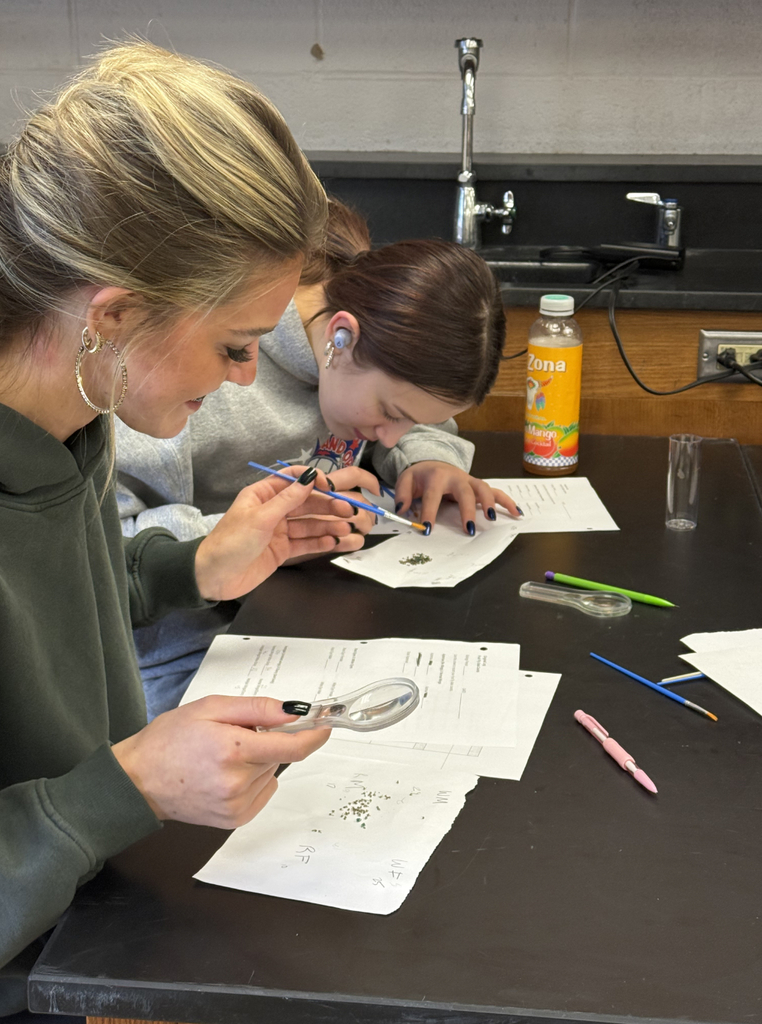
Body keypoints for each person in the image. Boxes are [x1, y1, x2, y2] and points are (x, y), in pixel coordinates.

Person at [0, 41, 376, 1014]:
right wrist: (124, 788)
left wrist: (192, 566)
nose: (247, 378)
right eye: (237, 345)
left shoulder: (71, 412)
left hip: (81, 925)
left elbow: (53, 611)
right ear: (114, 315)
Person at [114, 199, 521, 719]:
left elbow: (420, 417)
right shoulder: (190, 369)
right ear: (340, 338)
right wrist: (251, 538)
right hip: (182, 651)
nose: (391, 437)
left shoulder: (362, 337)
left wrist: (427, 458)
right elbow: (105, 553)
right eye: (390, 413)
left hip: (298, 620)